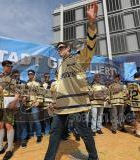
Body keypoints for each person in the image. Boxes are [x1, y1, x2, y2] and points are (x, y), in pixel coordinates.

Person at [44, 1, 98, 160]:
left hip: (76, 105)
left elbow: (90, 46)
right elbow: (58, 87)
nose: (59, 50)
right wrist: (52, 101)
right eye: (58, 48)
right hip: (60, 106)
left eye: (62, 47)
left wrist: (91, 23)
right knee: (54, 133)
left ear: (68, 49)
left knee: (83, 132)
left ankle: (94, 157)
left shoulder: (77, 59)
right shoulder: (59, 67)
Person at [0, 60, 20, 160]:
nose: (9, 67)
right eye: (7, 66)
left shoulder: (14, 79)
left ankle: (9, 149)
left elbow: (18, 92)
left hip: (8, 102)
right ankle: (0, 148)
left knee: (9, 125)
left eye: (10, 66)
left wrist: (14, 102)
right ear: (3, 67)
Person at [127, 74, 140, 138]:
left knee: (136, 117)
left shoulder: (129, 84)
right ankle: (138, 132)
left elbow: (127, 94)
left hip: (133, 102)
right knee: (139, 117)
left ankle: (136, 130)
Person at [25, 69, 43, 143]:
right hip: (27, 104)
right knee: (29, 121)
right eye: (29, 74)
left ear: (34, 74)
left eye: (31, 74)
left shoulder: (38, 82)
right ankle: (30, 134)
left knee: (36, 120)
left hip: (34, 104)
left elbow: (41, 93)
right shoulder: (26, 83)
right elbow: (24, 93)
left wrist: (38, 101)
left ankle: (39, 135)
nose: (30, 75)